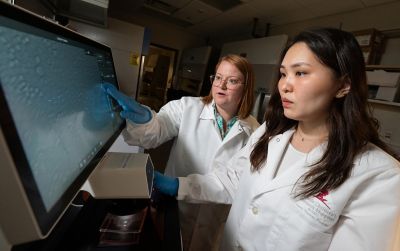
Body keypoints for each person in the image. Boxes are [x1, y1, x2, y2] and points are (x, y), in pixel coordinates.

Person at [158, 28, 400, 250]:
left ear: (343, 85)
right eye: (284, 74)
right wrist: (179, 185)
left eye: (301, 73)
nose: (285, 85)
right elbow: (232, 179)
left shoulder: (378, 174)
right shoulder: (268, 133)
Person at [103, 54, 260, 251]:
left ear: (246, 87)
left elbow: (238, 183)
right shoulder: (187, 107)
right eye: (218, 77)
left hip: (215, 220)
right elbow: (157, 130)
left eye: (232, 81)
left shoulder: (255, 131)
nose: (222, 85)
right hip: (175, 208)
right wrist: (144, 119)